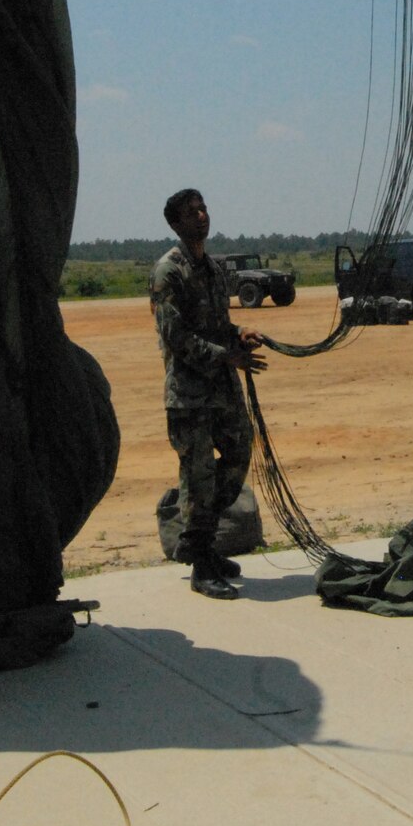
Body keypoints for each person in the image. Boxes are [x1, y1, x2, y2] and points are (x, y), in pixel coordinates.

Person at [150, 188, 265, 600]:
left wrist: (239, 333)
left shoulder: (215, 270)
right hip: (190, 395)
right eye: (191, 212)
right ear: (176, 224)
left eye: (203, 208)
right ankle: (202, 561)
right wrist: (227, 356)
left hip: (222, 388)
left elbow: (218, 324)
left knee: (238, 456)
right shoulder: (168, 272)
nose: (201, 215)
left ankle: (199, 541)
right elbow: (176, 337)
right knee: (198, 475)